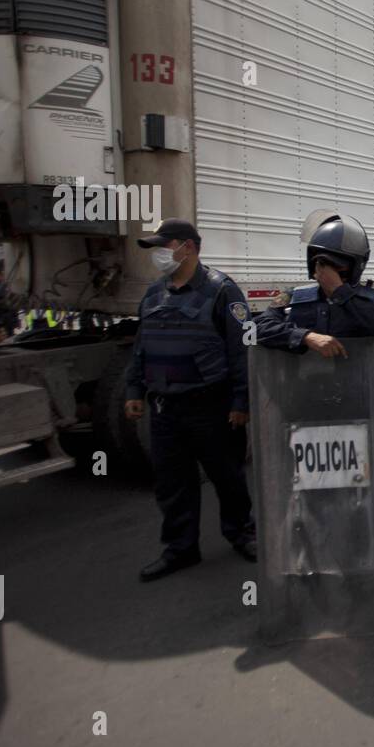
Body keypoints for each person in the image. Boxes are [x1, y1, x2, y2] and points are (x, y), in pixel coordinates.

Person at [123, 219, 257, 582]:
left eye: (164, 247)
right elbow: (142, 348)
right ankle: (180, 549)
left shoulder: (221, 291)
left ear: (189, 247)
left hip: (211, 406)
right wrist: (135, 390)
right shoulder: (154, 294)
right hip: (166, 409)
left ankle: (242, 534)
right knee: (172, 484)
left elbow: (240, 351)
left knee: (227, 476)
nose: (159, 255)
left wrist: (241, 403)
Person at [254, 210, 374, 356]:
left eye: (337, 265)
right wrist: (305, 337)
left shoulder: (368, 301)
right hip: (302, 378)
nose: (328, 271)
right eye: (322, 263)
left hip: (352, 377)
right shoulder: (293, 297)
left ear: (354, 266)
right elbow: (256, 328)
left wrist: (338, 291)